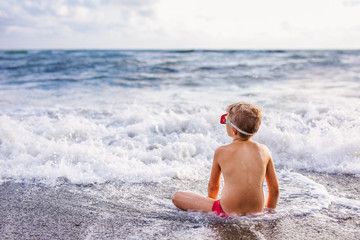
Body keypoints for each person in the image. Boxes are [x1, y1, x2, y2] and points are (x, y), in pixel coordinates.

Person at [172, 102, 279, 217]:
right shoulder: (264, 150)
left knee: (177, 196)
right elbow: (274, 189)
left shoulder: (221, 151)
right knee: (261, 191)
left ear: (234, 130)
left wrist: (211, 205)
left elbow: (213, 187)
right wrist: (269, 211)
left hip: (226, 211)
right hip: (257, 211)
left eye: (226, 121)